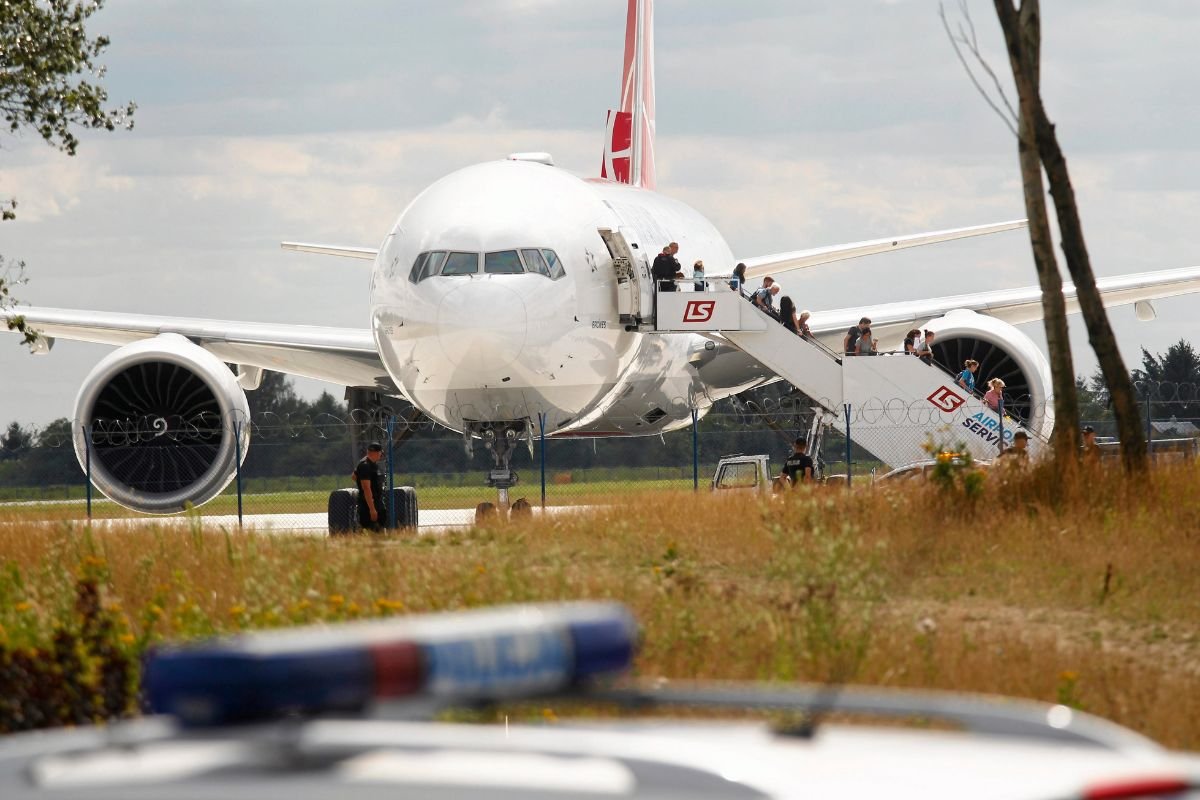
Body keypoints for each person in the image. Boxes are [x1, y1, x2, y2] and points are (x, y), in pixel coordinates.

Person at [353, 441, 386, 532]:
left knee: (376, 528)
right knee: (374, 529)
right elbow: (366, 488)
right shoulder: (366, 466)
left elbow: (354, 476)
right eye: (380, 453)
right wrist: (372, 509)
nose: (381, 455)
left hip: (373, 500)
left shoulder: (368, 464)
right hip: (370, 503)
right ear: (376, 453)